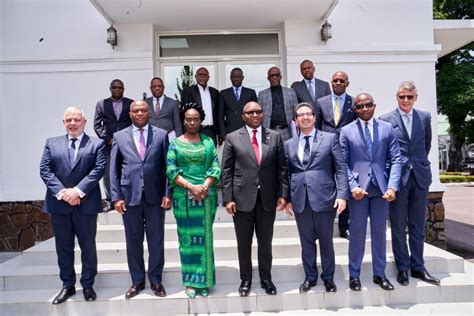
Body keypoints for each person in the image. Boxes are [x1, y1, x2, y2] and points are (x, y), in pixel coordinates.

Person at [39, 107, 106, 304]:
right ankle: (67, 285)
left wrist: (77, 191)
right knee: (64, 247)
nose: (73, 123)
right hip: (59, 205)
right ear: (64, 122)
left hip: (86, 204)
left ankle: (87, 284)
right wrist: (63, 193)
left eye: (76, 119)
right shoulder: (52, 143)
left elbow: (98, 169)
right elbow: (45, 170)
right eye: (69, 120)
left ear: (84, 122)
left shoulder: (97, 143)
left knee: (88, 246)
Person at [221, 101, 288, 297]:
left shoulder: (274, 136)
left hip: (267, 198)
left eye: (258, 111)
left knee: (265, 242)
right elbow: (226, 170)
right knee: (244, 242)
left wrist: (283, 195)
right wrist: (227, 199)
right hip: (241, 199)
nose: (255, 115)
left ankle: (266, 279)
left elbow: (282, 168)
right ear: (243, 116)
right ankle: (246, 279)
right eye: (250, 112)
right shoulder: (233, 138)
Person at [339, 93, 402, 292]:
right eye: (360, 106)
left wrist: (392, 186)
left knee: (379, 233)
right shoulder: (346, 131)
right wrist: (352, 186)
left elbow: (396, 159)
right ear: (355, 110)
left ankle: (379, 274)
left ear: (374, 106)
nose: (364, 109)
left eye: (368, 105)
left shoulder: (387, 128)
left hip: (381, 190)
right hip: (359, 191)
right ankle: (355, 275)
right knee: (356, 233)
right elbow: (342, 163)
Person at [379, 81, 440, 286]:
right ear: (396, 97)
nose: (406, 100)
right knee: (398, 225)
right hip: (398, 180)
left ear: (416, 97)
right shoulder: (386, 120)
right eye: (402, 96)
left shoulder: (424, 117)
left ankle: (418, 267)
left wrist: (417, 163)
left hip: (420, 178)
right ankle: (402, 268)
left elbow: (426, 144)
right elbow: (385, 151)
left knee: (418, 225)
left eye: (410, 97)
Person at [284, 102, 349, 293]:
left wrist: (342, 195)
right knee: (306, 242)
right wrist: (287, 198)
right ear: (296, 120)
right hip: (300, 200)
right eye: (300, 115)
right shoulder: (289, 144)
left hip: (324, 198)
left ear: (314, 117)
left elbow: (340, 169)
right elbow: (287, 174)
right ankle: (310, 277)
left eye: (308, 114)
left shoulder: (329, 139)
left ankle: (328, 278)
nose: (304, 117)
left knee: (326, 241)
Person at [109, 100, 170, 299]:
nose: (140, 113)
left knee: (156, 241)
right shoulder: (119, 136)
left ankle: (155, 280)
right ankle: (137, 281)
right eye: (136, 110)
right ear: (130, 113)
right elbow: (114, 170)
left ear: (149, 112)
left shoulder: (161, 135)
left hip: (155, 197)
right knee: (133, 241)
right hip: (129, 198)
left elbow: (168, 168)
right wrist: (116, 197)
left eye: (144, 110)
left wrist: (167, 194)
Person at [166, 102, 221, 298]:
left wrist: (204, 186)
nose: (191, 122)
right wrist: (191, 187)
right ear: (183, 120)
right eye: (188, 119)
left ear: (201, 121)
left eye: (195, 119)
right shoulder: (175, 143)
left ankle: (205, 280)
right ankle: (190, 282)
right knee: (187, 239)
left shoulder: (208, 142)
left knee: (205, 238)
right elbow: (171, 170)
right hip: (184, 198)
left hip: (206, 197)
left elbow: (215, 166)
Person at [315, 71, 357, 239]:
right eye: (335, 81)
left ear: (347, 83)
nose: (338, 83)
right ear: (331, 83)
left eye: (341, 81)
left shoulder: (354, 102)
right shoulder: (321, 102)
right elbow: (317, 126)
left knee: (344, 186)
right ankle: (321, 227)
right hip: (326, 150)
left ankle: (344, 226)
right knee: (325, 185)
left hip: (347, 150)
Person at [93, 79, 133, 209]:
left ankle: (127, 198)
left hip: (127, 144)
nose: (117, 90)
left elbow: (135, 122)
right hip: (108, 144)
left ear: (123, 89)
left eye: (120, 88)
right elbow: (97, 124)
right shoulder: (102, 104)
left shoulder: (130, 103)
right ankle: (111, 200)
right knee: (109, 173)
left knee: (127, 171)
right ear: (110, 89)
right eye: (114, 88)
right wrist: (107, 138)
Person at [180, 67, 220, 145]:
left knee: (210, 155)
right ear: (196, 76)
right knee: (194, 155)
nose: (202, 76)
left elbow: (218, 113)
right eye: (200, 74)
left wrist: (220, 133)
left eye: (205, 75)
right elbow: (183, 112)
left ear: (208, 77)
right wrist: (184, 132)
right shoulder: (188, 91)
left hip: (211, 131)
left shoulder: (215, 92)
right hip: (194, 130)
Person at [258, 66, 298, 141]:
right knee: (271, 152)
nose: (274, 77)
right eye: (272, 75)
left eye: (277, 75)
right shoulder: (262, 94)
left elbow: (296, 113)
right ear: (268, 78)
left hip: (287, 131)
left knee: (288, 152)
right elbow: (259, 115)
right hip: (269, 131)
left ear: (280, 77)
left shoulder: (291, 92)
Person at [218, 67, 257, 143]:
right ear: (230, 78)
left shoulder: (251, 93)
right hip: (230, 132)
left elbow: (254, 114)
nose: (236, 79)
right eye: (234, 77)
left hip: (247, 132)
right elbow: (220, 116)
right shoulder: (224, 93)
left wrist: (253, 131)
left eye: (238, 77)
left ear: (242, 78)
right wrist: (223, 134)